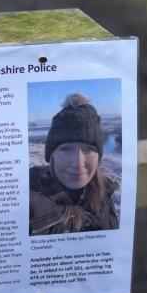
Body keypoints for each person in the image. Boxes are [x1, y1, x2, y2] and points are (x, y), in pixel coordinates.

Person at [29, 93, 120, 236]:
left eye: (88, 149)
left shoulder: (105, 195)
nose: (78, 163)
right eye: (65, 149)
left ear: (98, 156)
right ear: (51, 156)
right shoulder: (32, 202)